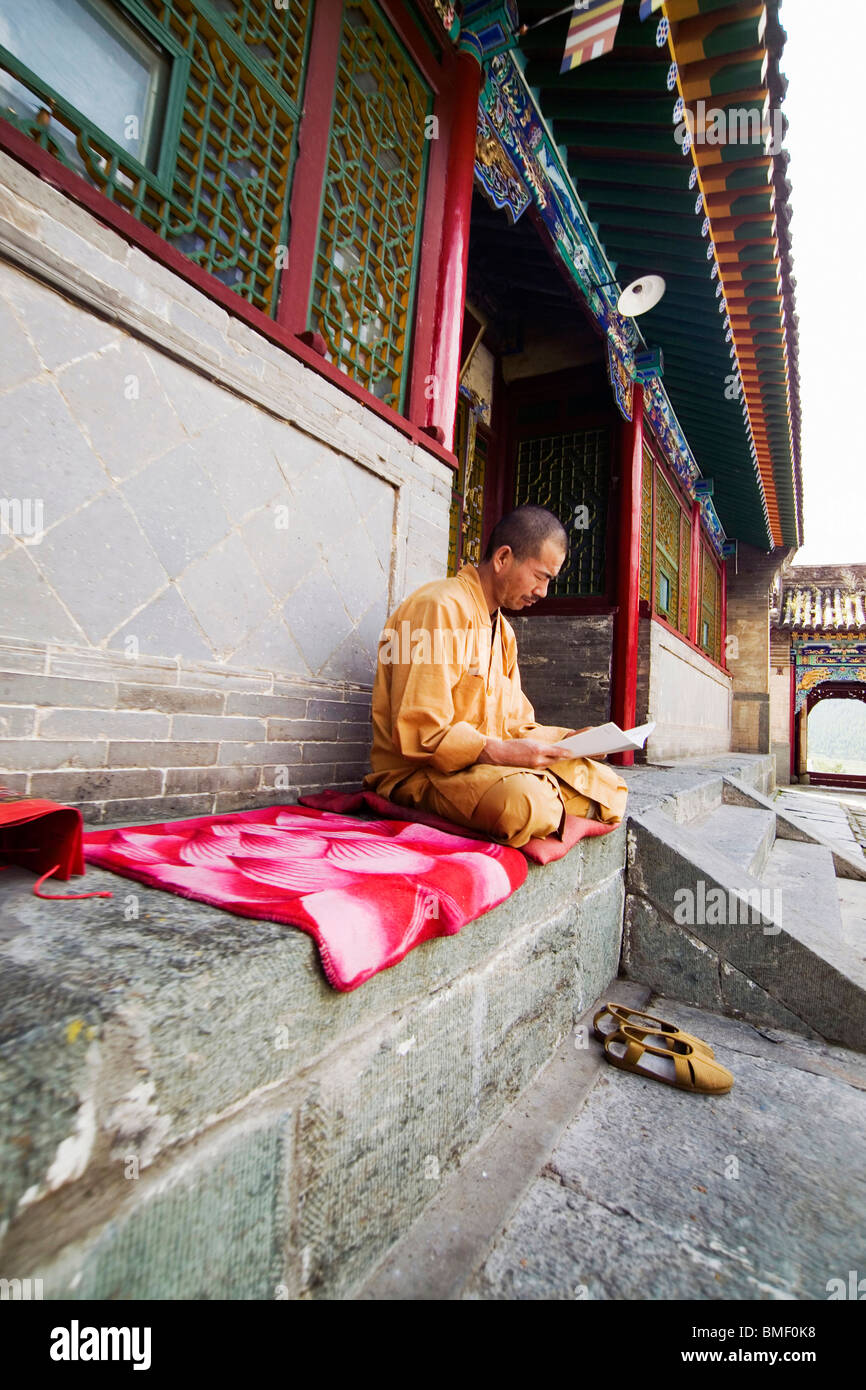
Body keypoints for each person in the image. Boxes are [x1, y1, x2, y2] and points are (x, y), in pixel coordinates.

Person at [364, 505, 628, 849]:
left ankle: (547, 801)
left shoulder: (503, 633)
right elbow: (419, 733)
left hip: (483, 767)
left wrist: (573, 740)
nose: (543, 592)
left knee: (608, 787)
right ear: (503, 557)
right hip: (421, 773)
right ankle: (543, 804)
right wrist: (501, 754)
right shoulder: (438, 607)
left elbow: (516, 724)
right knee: (525, 802)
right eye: (541, 576)